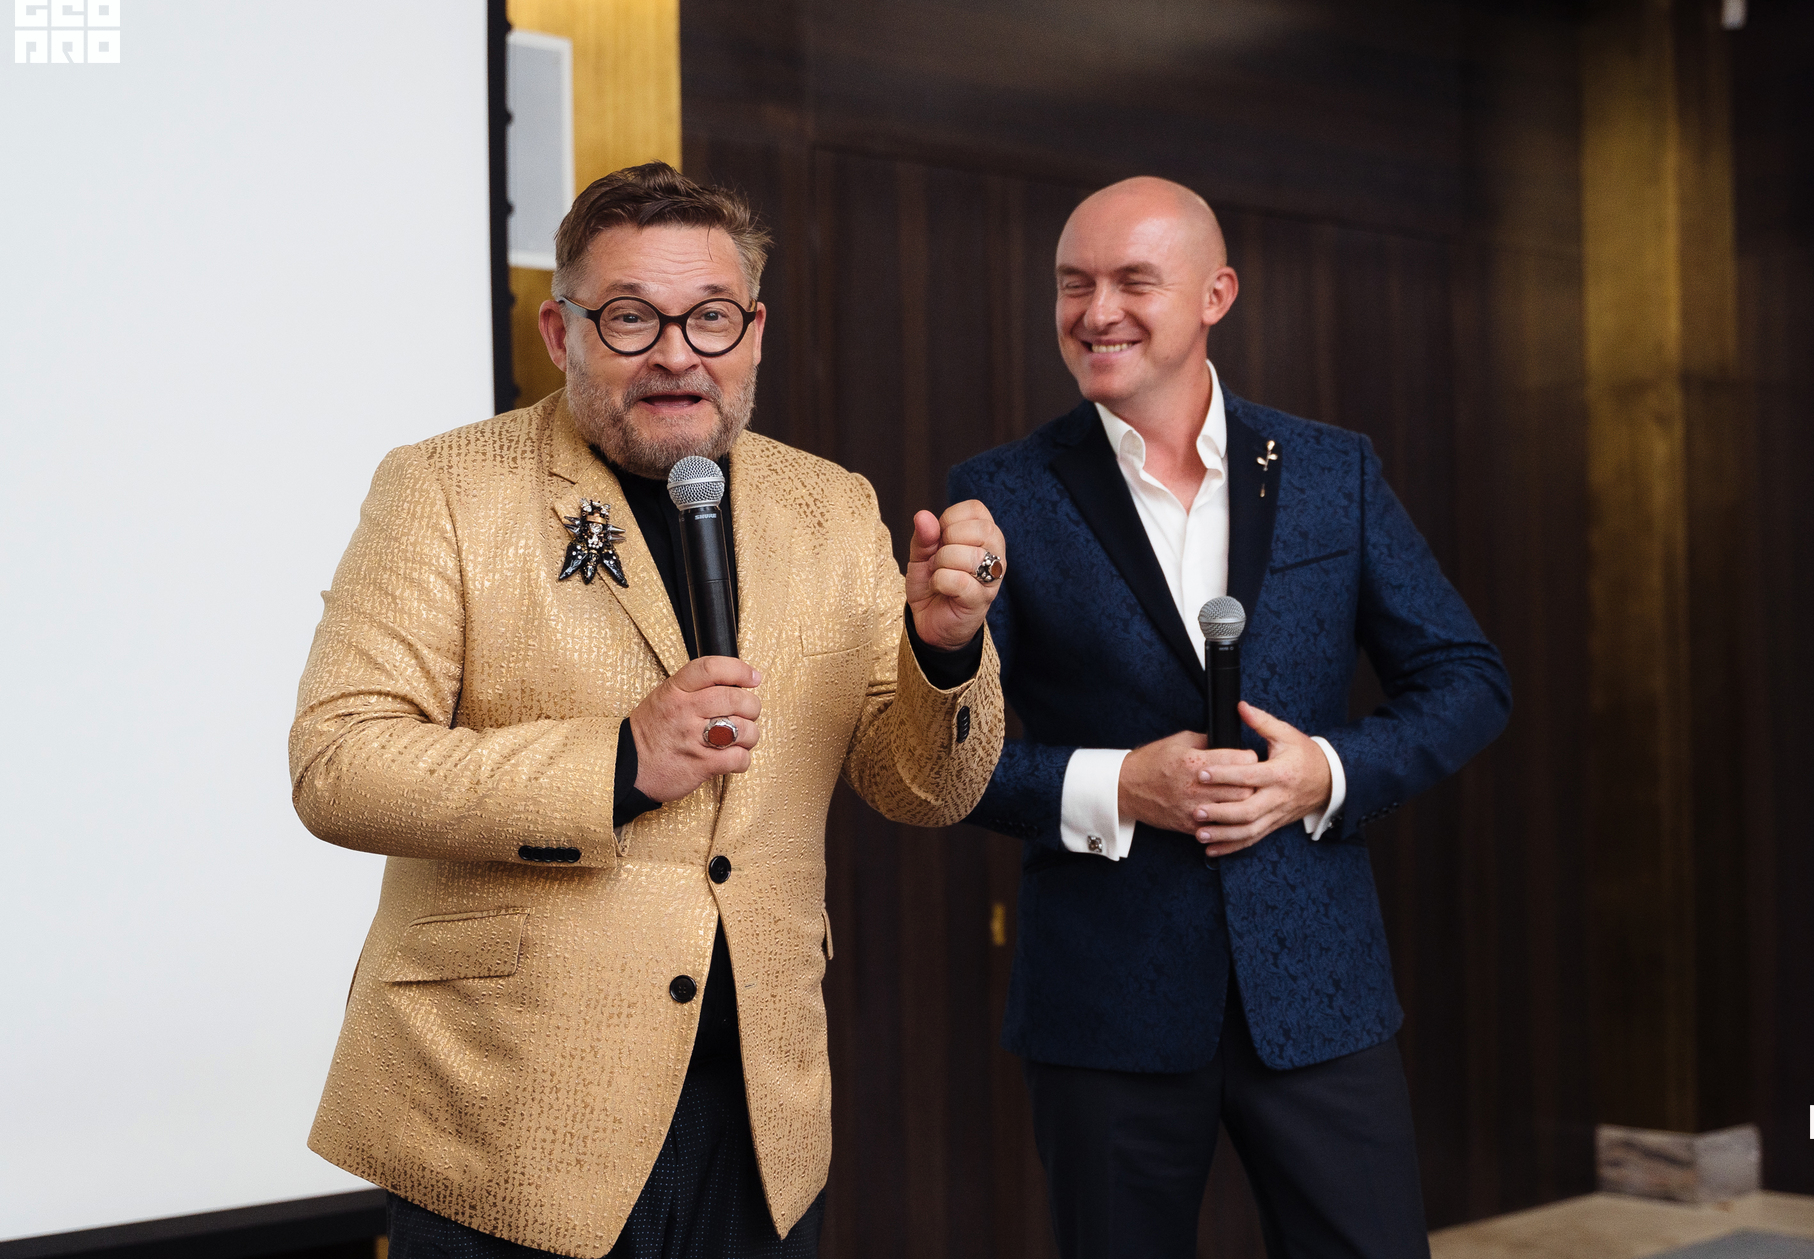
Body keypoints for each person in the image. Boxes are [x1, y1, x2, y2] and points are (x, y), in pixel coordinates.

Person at [290, 163, 1007, 1259]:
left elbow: (922, 789)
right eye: (631, 318)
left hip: (760, 1116)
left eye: (711, 317)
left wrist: (944, 652)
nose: (678, 353)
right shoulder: (444, 487)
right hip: (504, 1116)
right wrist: (617, 761)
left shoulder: (831, 505)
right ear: (561, 331)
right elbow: (339, 763)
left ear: (755, 331)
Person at [949, 177, 1511, 1259]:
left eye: (1133, 282)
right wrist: (1119, 784)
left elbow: (1467, 678)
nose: (1096, 312)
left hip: (1321, 992)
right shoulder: (999, 493)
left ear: (1217, 295)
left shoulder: (1332, 471)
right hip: (1104, 1004)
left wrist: (1325, 774)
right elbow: (943, 754)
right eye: (1073, 284)